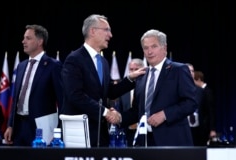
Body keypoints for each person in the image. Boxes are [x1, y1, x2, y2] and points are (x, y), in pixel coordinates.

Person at [61, 14, 146, 147]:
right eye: (106, 30)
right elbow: (75, 95)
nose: (110, 35)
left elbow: (109, 91)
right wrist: (106, 112)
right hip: (79, 131)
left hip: (100, 131)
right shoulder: (74, 59)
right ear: (92, 31)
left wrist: (130, 79)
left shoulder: (103, 62)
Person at [120, 29, 197, 146]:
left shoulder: (179, 70)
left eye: (154, 46)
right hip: (145, 141)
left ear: (164, 48)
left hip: (173, 141)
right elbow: (137, 111)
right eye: (146, 48)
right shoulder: (141, 76)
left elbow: (191, 103)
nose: (149, 51)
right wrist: (119, 118)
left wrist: (165, 114)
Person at [4, 24, 63, 146]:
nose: (23, 41)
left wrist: (58, 131)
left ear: (40, 41)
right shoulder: (21, 66)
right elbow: (15, 100)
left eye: (28, 38)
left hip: (41, 130)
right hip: (19, 128)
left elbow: (62, 100)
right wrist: (10, 125)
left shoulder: (53, 66)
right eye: (24, 38)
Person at [119, 58, 145, 146]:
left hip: (144, 131)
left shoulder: (147, 87)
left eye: (136, 69)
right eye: (131, 69)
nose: (133, 72)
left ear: (143, 69)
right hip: (127, 133)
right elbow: (121, 110)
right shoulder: (123, 89)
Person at [194, 70, 217, 145]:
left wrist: (212, 129)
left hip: (205, 127)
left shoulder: (207, 91)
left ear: (199, 79)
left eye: (194, 80)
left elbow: (211, 111)